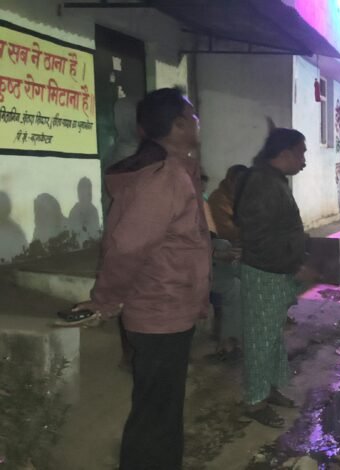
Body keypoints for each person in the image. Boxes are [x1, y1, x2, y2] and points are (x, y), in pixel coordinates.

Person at [75, 87, 211, 469]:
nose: (198, 122)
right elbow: (126, 247)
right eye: (193, 116)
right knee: (156, 414)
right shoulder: (163, 179)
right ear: (178, 125)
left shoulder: (175, 171)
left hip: (169, 309)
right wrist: (104, 300)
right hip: (159, 312)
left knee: (161, 409)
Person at [234, 128, 318, 428]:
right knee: (260, 339)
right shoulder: (262, 184)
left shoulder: (272, 180)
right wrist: (294, 266)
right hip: (264, 273)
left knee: (271, 338)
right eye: (301, 153)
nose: (304, 161)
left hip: (275, 271)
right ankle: (255, 402)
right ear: (284, 154)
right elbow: (259, 239)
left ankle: (267, 389)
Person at [207, 165, 249, 361]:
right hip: (201, 263)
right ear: (230, 181)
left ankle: (235, 335)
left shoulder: (242, 198)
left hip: (224, 252)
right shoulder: (217, 200)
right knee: (237, 284)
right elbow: (224, 232)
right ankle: (230, 340)